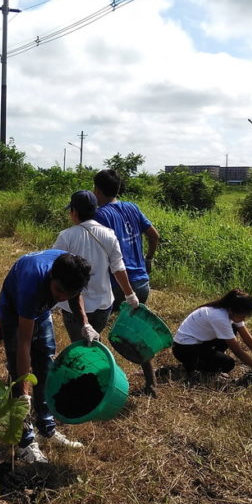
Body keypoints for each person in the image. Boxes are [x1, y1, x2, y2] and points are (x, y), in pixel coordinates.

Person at [0, 249, 93, 464]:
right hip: (15, 312)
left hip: (41, 313)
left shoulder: (71, 272)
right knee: (18, 370)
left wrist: (85, 323)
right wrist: (24, 391)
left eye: (67, 294)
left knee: (46, 366)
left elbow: (73, 292)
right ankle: (25, 441)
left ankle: (46, 426)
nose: (61, 298)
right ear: (51, 276)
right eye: (59, 291)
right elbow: (24, 343)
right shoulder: (32, 284)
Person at [93, 169, 161, 395]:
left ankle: (101, 379)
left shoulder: (100, 215)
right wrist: (148, 258)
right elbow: (154, 235)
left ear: (97, 190)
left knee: (93, 329)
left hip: (117, 283)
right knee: (137, 332)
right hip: (141, 282)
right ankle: (151, 384)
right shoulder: (132, 207)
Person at [53, 190, 139, 345]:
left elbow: (54, 268)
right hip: (103, 304)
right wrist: (130, 294)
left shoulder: (66, 236)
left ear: (74, 212)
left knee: (78, 346)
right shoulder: (108, 234)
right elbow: (118, 267)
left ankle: (84, 367)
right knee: (95, 344)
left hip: (73, 307)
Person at [172, 289, 252, 381]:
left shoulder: (230, 311)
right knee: (227, 364)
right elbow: (237, 351)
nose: (244, 319)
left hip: (198, 343)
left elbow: (246, 336)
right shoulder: (219, 317)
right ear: (231, 310)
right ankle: (193, 368)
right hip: (185, 350)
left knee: (234, 328)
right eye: (242, 316)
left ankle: (208, 360)